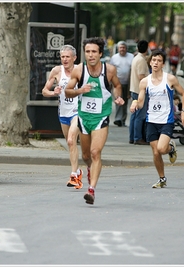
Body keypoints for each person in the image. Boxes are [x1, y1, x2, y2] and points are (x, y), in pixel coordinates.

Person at [65, 37, 124, 205]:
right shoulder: (78, 70)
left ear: (100, 53)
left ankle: (91, 190)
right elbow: (67, 91)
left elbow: (118, 85)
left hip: (101, 117)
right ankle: (90, 170)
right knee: (85, 155)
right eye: (87, 52)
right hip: (84, 117)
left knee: (95, 152)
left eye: (94, 52)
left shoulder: (110, 70)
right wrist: (80, 90)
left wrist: (118, 97)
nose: (90, 55)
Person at [130, 49, 184, 189]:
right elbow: (141, 101)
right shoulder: (145, 82)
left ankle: (171, 148)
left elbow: (183, 94)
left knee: (162, 149)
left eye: (159, 61)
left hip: (166, 120)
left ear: (163, 64)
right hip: (151, 121)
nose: (156, 63)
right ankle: (162, 178)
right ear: (150, 62)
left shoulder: (170, 79)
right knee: (155, 152)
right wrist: (134, 103)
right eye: (154, 60)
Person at [41, 45, 83, 189]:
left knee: (71, 140)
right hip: (63, 112)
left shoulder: (81, 70)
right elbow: (44, 91)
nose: (65, 59)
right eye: (62, 57)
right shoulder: (56, 71)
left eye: (67, 57)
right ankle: (78, 171)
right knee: (69, 142)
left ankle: (73, 175)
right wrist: (53, 92)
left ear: (74, 58)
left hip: (78, 111)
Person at [129, 40, 149, 145]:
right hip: (140, 91)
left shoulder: (136, 58)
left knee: (134, 115)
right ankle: (138, 137)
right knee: (140, 115)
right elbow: (141, 76)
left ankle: (132, 137)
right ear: (147, 48)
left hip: (134, 89)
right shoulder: (141, 60)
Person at [109, 40, 134, 127]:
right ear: (118, 49)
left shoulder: (131, 57)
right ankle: (118, 119)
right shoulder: (114, 58)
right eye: (120, 48)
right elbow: (111, 70)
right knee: (118, 100)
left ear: (126, 48)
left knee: (125, 102)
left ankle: (123, 120)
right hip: (117, 83)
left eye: (123, 47)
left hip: (128, 83)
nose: (122, 49)